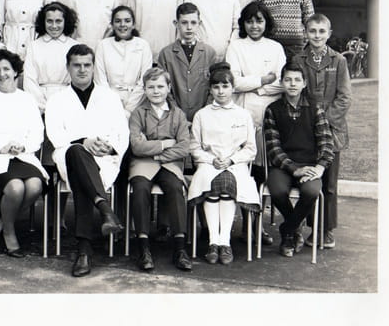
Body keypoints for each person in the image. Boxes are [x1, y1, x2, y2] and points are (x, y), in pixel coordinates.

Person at [45, 44, 128, 277]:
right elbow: (55, 134)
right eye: (77, 65)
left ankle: (84, 250)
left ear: (93, 67)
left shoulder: (109, 97)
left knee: (82, 175)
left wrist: (109, 146)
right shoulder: (57, 100)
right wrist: (83, 141)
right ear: (68, 67)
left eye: (87, 65)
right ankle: (105, 210)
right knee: (76, 153)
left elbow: (122, 131)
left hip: (104, 159)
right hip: (68, 155)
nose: (82, 70)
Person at [0, 50, 48, 257]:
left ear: (15, 72)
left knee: (35, 185)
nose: (2, 74)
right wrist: (0, 147)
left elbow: (37, 132)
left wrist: (23, 146)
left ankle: (1, 223)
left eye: (6, 69)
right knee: (15, 188)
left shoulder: (27, 99)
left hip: (22, 155)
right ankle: (9, 233)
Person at [187, 62, 260, 265]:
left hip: (235, 165)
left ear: (233, 88)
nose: (221, 91)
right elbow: (194, 147)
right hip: (208, 164)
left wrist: (231, 160)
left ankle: (225, 242)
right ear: (210, 90)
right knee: (212, 183)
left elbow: (250, 149)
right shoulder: (202, 115)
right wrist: (211, 159)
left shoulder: (243, 115)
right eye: (216, 87)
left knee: (228, 182)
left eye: (225, 86)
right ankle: (213, 242)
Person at [292, 14, 352, 249]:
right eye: (312, 31)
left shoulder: (339, 60)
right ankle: (307, 226)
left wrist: (324, 122)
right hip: (306, 129)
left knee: (329, 184)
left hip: (332, 130)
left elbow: (345, 97)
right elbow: (296, 92)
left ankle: (325, 230)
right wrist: (309, 122)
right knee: (309, 179)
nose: (317, 36)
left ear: (329, 33)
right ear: (305, 32)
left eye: (321, 31)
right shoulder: (299, 59)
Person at [264, 65, 334, 259]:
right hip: (283, 166)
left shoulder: (315, 108)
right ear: (281, 83)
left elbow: (326, 142)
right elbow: (273, 149)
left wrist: (320, 167)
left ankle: (287, 229)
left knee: (311, 191)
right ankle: (294, 229)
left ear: (304, 84)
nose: (292, 84)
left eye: (297, 80)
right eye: (287, 80)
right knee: (277, 190)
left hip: (310, 165)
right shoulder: (273, 110)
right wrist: (294, 169)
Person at [127, 67, 192, 272]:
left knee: (174, 187)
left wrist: (155, 153)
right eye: (151, 87)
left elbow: (184, 147)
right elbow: (136, 146)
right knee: (140, 189)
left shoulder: (178, 115)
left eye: (160, 86)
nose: (156, 91)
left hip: (169, 164)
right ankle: (143, 247)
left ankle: (180, 248)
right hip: (142, 164)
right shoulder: (138, 114)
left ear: (169, 88)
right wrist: (165, 144)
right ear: (145, 89)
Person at [226, 2, 286, 179]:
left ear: (266, 22)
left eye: (259, 21)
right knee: (243, 157)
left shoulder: (276, 47)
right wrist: (263, 80)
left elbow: (283, 82)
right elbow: (234, 83)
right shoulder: (236, 47)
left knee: (266, 158)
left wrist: (258, 90)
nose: (254, 26)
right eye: (249, 21)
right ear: (243, 23)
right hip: (243, 108)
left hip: (270, 108)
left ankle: (264, 192)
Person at [157, 3, 217, 123]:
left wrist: (204, 114)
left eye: (193, 23)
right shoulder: (166, 54)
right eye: (184, 23)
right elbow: (163, 89)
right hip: (174, 117)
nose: (189, 27)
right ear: (176, 24)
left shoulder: (209, 53)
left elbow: (214, 87)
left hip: (205, 117)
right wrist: (178, 115)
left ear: (199, 24)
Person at [94, 6, 153, 119]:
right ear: (112, 24)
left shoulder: (143, 45)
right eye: (118, 21)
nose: (122, 25)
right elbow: (100, 80)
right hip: (108, 103)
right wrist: (113, 104)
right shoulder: (103, 45)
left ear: (133, 24)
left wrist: (129, 108)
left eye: (127, 21)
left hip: (137, 102)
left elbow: (145, 80)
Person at [23, 2, 79, 115]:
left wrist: (66, 103)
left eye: (58, 21)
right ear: (43, 22)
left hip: (68, 102)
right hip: (40, 105)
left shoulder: (74, 46)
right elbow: (29, 80)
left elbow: (78, 79)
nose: (54, 26)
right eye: (49, 21)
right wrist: (43, 106)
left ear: (66, 21)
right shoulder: (34, 46)